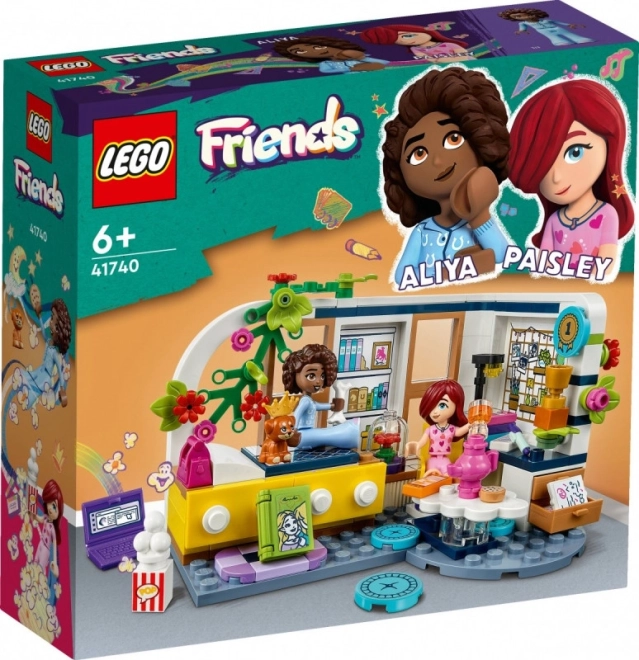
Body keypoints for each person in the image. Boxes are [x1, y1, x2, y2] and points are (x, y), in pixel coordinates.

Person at [381, 67, 511, 285]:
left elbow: (503, 256)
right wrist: (443, 273)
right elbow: (401, 276)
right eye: (419, 153)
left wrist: (478, 216)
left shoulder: (478, 223)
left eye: (453, 139)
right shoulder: (423, 231)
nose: (437, 162)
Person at [509, 79, 633, 275]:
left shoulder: (607, 215)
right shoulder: (555, 221)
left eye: (575, 152)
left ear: (608, 143)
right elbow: (543, 264)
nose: (556, 177)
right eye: (544, 164)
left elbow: (606, 264)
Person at [282, 344, 359, 449]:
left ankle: (350, 433)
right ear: (295, 377)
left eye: (322, 376)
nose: (318, 381)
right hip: (303, 435)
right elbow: (296, 415)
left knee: (326, 433)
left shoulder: (309, 401)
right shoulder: (305, 401)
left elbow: (317, 406)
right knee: (327, 434)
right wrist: (293, 431)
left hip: (308, 434)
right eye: (311, 376)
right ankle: (351, 433)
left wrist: (333, 406)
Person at [406, 380, 469, 476]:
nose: (435, 412)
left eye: (442, 405)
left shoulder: (451, 429)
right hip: (432, 460)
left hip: (445, 459)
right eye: (431, 407)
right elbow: (423, 441)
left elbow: (459, 432)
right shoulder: (430, 429)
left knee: (448, 475)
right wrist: (417, 445)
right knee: (432, 476)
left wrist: (470, 424)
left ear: (456, 406)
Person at [361, 24, 473, 62]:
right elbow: (427, 59)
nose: (405, 41)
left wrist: (445, 60)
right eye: (399, 42)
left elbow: (464, 55)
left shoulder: (449, 45)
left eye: (408, 36)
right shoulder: (416, 49)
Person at [273, 36, 387, 73]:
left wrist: (358, 56)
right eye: (300, 52)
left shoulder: (359, 56)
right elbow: (326, 71)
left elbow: (385, 64)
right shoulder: (326, 64)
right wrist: (354, 68)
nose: (315, 51)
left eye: (318, 47)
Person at [34, 480, 64, 605]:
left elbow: (55, 545)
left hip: (46, 548)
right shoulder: (46, 518)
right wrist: (32, 513)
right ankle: (34, 585)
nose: (50, 509)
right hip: (41, 544)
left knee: (41, 567)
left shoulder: (53, 529)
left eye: (54, 506)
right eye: (49, 504)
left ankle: (40, 592)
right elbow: (39, 519)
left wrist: (55, 564)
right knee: (35, 561)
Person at [498, 8, 594, 47]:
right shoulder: (523, 23)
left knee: (570, 34)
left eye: (519, 15)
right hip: (544, 31)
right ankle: (559, 42)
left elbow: (557, 22)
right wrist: (521, 31)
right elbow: (522, 28)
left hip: (557, 28)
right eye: (516, 17)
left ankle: (580, 39)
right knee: (555, 38)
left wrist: (569, 24)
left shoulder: (544, 19)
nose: (518, 18)